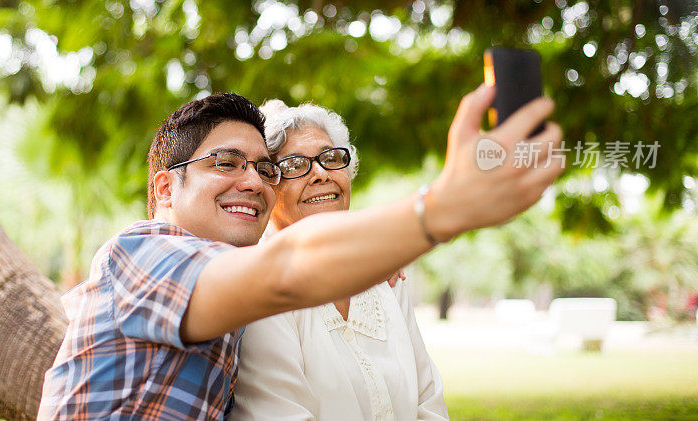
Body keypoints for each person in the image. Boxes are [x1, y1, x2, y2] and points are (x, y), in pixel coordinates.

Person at [38, 86, 562, 420]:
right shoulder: (140, 253)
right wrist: (442, 208)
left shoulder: (357, 283)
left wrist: (379, 256)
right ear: (166, 189)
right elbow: (285, 272)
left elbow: (429, 403)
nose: (252, 181)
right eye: (226, 162)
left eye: (264, 169)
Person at [231, 100, 447, 420]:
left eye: (330, 158)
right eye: (293, 165)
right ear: (267, 187)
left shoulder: (384, 275)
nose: (320, 174)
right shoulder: (260, 284)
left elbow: (429, 401)